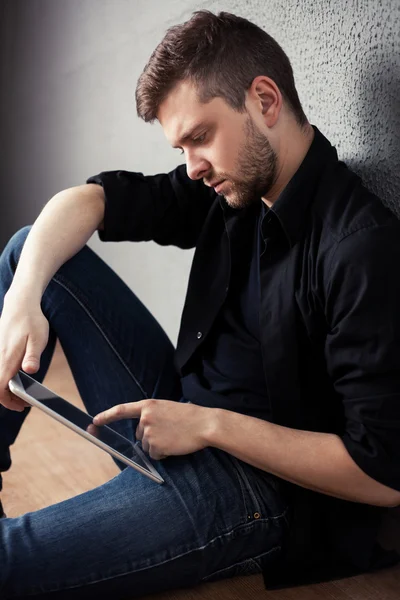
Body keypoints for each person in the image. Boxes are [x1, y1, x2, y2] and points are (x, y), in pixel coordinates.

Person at [0, 9, 399, 598]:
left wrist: (210, 426)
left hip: (259, 491)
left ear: (265, 101)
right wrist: (20, 303)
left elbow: (384, 473)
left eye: (200, 136)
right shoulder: (231, 186)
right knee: (27, 254)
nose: (192, 166)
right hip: (175, 416)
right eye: (181, 146)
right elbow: (84, 202)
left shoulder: (358, 247)